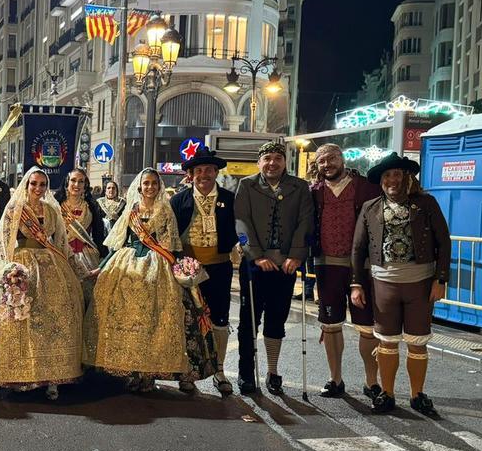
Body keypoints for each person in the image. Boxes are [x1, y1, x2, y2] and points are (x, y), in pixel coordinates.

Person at [0, 167, 84, 399]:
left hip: (51, 267)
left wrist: (80, 270)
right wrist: (7, 272)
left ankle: (52, 375)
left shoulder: (52, 212)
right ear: (26, 184)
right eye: (34, 184)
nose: (38, 189)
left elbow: (61, 244)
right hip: (21, 265)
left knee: (55, 320)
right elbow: (3, 244)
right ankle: (19, 374)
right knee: (18, 318)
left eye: (42, 184)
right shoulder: (14, 209)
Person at [84, 168, 216, 393]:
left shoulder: (165, 210)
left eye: (154, 183)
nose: (150, 187)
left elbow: (170, 246)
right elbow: (119, 243)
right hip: (126, 263)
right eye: (146, 183)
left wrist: (181, 269)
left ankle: (149, 374)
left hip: (157, 266)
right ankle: (131, 371)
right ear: (139, 186)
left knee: (158, 320)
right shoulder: (131, 210)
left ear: (159, 186)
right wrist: (102, 267)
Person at [350, 153, 451, 415]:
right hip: (384, 284)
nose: (392, 180)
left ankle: (418, 394)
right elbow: (358, 249)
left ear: (406, 178)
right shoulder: (370, 207)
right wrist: (356, 285)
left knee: (417, 341)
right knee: (387, 340)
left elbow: (444, 242)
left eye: (397, 174)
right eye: (387, 176)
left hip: (420, 283)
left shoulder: (426, 204)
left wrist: (441, 280)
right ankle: (387, 393)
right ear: (381, 181)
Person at [234, 141, 313, 395]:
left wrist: (296, 256)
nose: (271, 163)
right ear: (259, 162)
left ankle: (273, 371)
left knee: (277, 320)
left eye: (277, 159)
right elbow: (241, 224)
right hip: (254, 265)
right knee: (248, 322)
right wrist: (255, 256)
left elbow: (305, 222)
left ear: (284, 162)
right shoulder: (247, 185)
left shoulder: (299, 187)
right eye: (267, 158)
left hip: (286, 266)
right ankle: (246, 374)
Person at [310, 143, 382, 398]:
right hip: (326, 265)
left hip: (361, 266)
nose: (327, 165)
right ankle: (335, 379)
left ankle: (372, 383)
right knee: (329, 324)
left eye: (331, 159)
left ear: (341, 159)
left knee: (366, 326)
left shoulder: (366, 188)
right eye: (321, 161)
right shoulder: (314, 191)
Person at [170, 146, 236, 396]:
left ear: (216, 172)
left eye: (209, 169)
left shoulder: (230, 199)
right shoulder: (179, 200)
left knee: (219, 319)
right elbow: (171, 236)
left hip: (219, 266)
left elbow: (239, 229)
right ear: (191, 174)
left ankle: (219, 371)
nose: (204, 174)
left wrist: (241, 244)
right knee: (189, 320)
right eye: (199, 170)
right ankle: (189, 370)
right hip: (188, 269)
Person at [55, 167, 106, 287]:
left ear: (85, 185)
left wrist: (103, 258)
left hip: (88, 256)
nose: (76, 184)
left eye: (81, 181)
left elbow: (99, 235)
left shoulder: (92, 207)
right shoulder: (56, 206)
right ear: (67, 182)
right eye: (73, 180)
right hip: (62, 255)